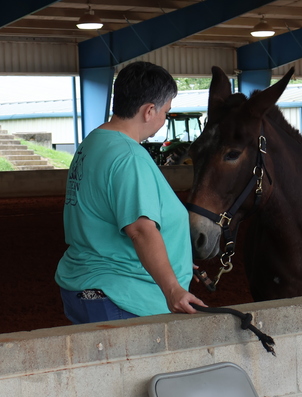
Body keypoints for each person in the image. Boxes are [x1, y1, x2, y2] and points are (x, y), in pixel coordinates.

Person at [54, 61, 204, 323]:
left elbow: (105, 212)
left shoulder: (94, 142)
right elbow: (140, 229)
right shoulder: (129, 156)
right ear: (149, 111)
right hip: (122, 296)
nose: (163, 119)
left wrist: (174, 256)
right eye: (166, 112)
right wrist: (173, 288)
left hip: (87, 287)